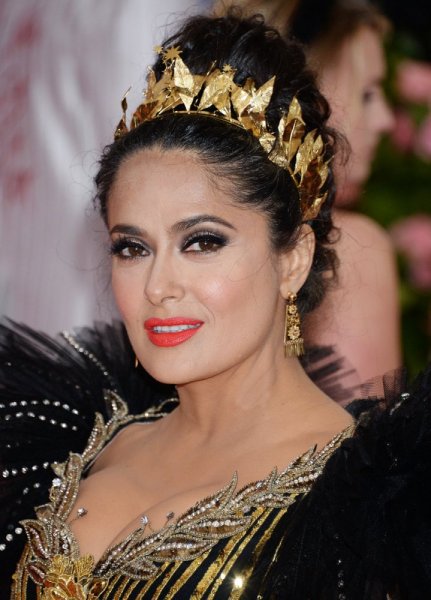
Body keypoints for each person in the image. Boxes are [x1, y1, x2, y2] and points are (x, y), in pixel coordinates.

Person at [1, 11, 430, 599]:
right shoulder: (65, 440)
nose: (158, 286)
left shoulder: (372, 515)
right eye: (132, 248)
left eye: (202, 242)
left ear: (293, 259)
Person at [213, 0, 401, 395]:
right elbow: (363, 426)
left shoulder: (198, 228)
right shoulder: (351, 244)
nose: (385, 119)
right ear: (305, 96)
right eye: (367, 93)